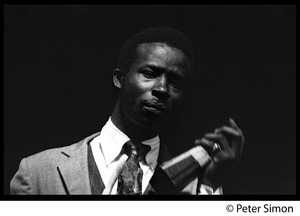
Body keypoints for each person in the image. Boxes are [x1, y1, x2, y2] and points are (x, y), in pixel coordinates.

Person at [10, 26, 244, 195]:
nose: (162, 89)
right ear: (119, 79)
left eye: (175, 83)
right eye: (150, 74)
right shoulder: (38, 172)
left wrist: (210, 185)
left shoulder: (198, 187)